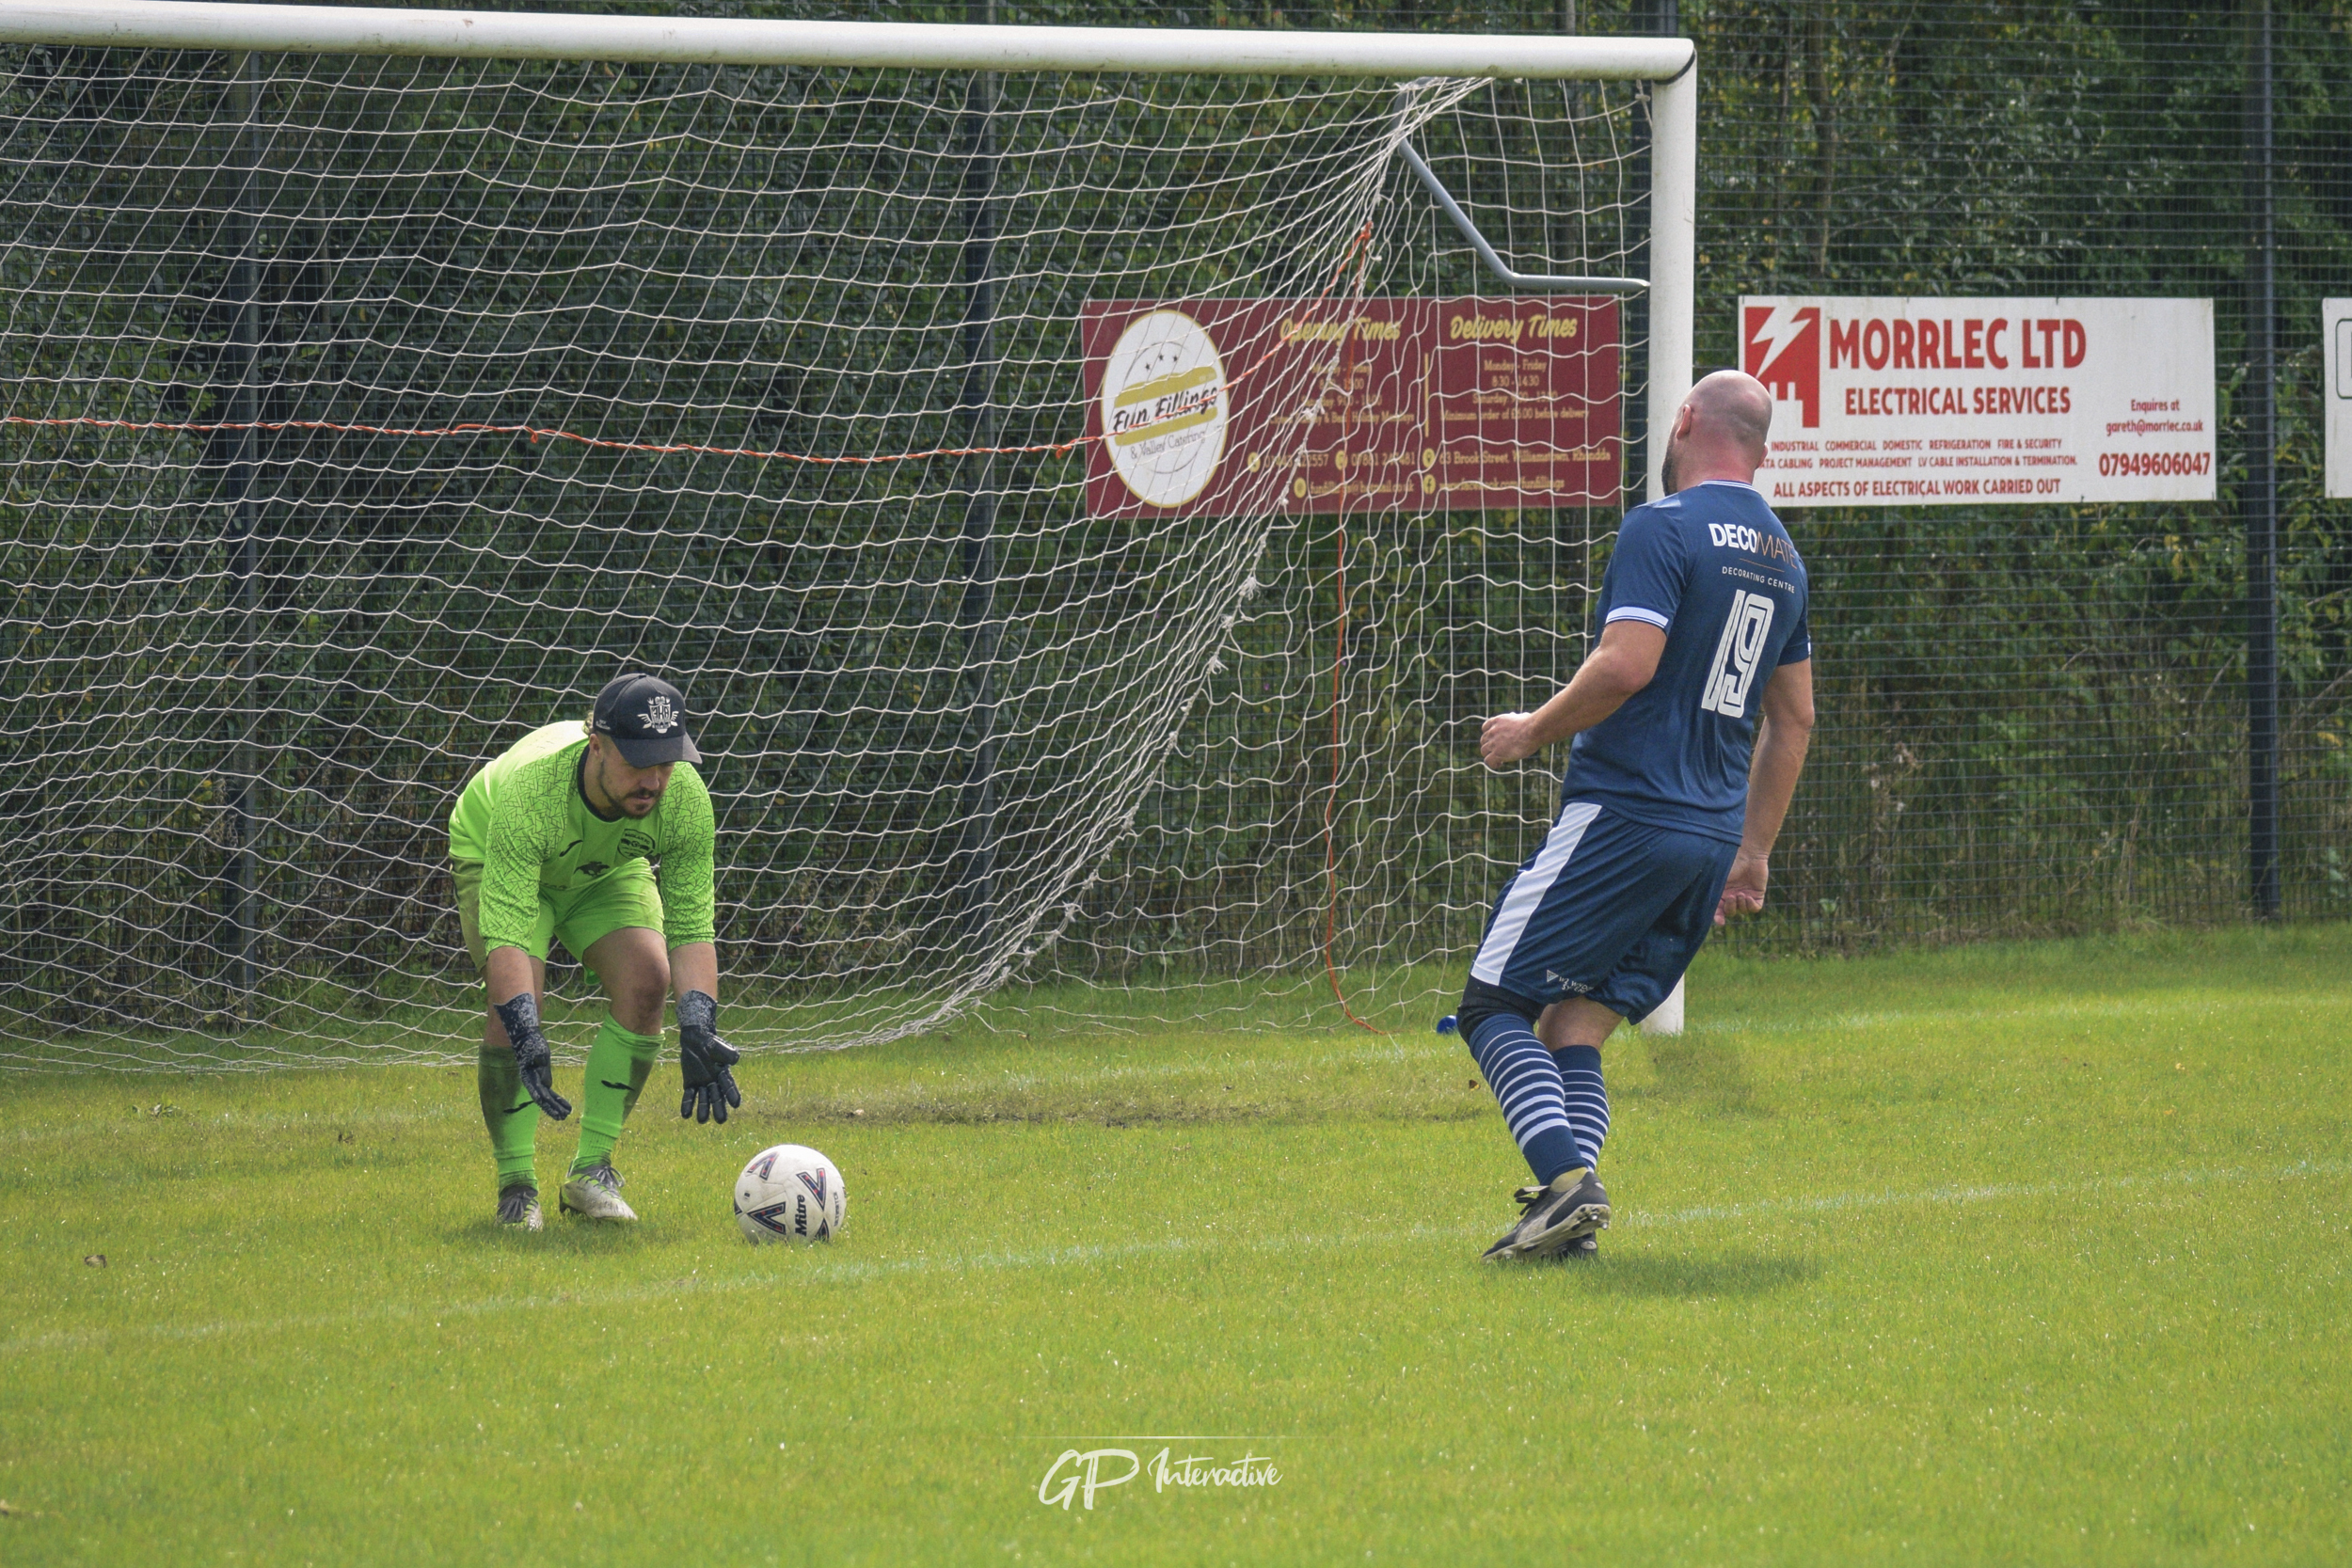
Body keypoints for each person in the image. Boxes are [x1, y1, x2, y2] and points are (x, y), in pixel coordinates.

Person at [1454, 370, 1815, 1262]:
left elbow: (1626, 664)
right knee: (1576, 1024)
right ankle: (1567, 1226)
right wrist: (1753, 852)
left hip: (1626, 815)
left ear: (1685, 419)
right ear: (1761, 449)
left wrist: (1531, 730)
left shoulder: (1663, 525)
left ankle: (1568, 1184)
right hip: (1709, 837)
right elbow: (1796, 719)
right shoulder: (1785, 559)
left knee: (1493, 1004)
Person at [447, 673, 742, 1230]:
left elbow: (691, 925)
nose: (653, 781)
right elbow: (507, 935)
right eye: (638, 762)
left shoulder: (682, 798)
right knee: (515, 1009)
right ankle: (517, 1188)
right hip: (496, 851)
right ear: (597, 745)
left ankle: (591, 1172)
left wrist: (699, 1023)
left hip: (601, 869)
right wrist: (525, 1029)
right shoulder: (533, 794)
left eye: (666, 762)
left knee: (649, 980)